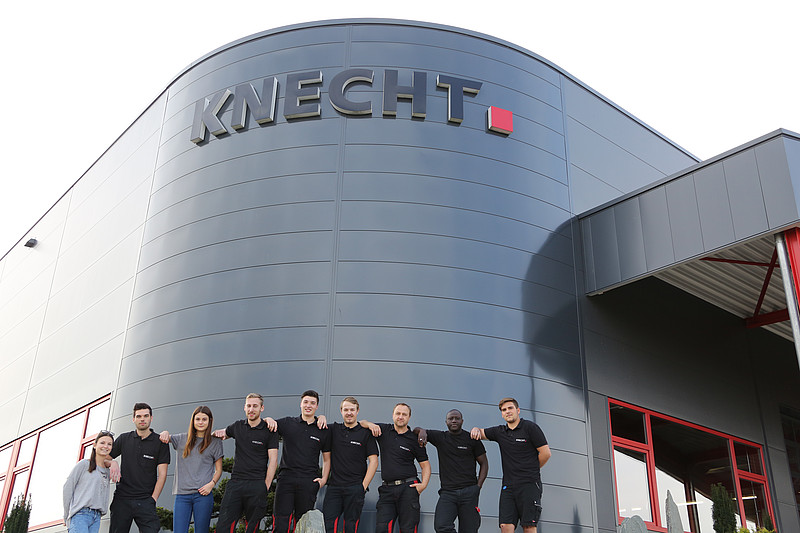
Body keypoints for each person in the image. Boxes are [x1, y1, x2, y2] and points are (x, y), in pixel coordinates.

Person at [470, 398, 551, 533]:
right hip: (508, 486)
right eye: (504, 410)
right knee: (505, 526)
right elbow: (481, 432)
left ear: (517, 410)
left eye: (510, 408)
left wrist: (531, 470)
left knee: (529, 526)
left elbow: (546, 453)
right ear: (502, 414)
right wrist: (475, 429)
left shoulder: (530, 428)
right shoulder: (500, 432)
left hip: (529, 484)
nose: (507, 411)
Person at [212, 393, 279, 533]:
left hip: (257, 485)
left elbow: (273, 460)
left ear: (262, 408)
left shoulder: (269, 431)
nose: (251, 409)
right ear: (244, 407)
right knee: (223, 527)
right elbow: (221, 434)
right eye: (248, 406)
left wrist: (265, 486)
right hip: (236, 484)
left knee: (252, 528)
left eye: (255, 406)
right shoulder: (237, 426)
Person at [266, 390, 332, 533]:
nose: (308, 405)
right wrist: (268, 419)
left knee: (304, 524)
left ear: (317, 406)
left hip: (309, 482)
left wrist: (324, 479)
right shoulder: (287, 423)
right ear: (300, 404)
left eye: (312, 403)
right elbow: (266, 424)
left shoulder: (323, 429)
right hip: (286, 480)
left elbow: (327, 459)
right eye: (306, 402)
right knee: (281, 523)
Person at [361, 403, 431, 533]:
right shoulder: (384, 430)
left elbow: (425, 466)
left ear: (409, 417)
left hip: (408, 489)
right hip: (387, 490)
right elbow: (361, 423)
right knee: (382, 528)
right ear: (393, 415)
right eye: (398, 413)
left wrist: (423, 485)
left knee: (408, 529)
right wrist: (370, 425)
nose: (400, 416)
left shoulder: (415, 439)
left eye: (404, 414)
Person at [415, 409, 488, 533]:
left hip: (469, 492)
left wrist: (478, 487)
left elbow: (484, 463)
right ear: (446, 422)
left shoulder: (471, 439)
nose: (454, 420)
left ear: (462, 421)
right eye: (451, 418)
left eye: (457, 418)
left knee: (470, 530)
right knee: (441, 526)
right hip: (448, 493)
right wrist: (421, 431)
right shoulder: (440, 437)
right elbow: (416, 430)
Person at [159, 406, 224, 533]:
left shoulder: (215, 442)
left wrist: (211, 484)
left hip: (203, 495)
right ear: (193, 421)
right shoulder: (181, 439)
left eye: (204, 419)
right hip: (182, 496)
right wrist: (165, 431)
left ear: (209, 421)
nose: (200, 422)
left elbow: (219, 470)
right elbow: (164, 437)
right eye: (197, 419)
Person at [110, 402, 171, 533]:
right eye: (138, 416)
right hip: (122, 499)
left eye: (145, 416)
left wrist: (153, 499)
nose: (142, 419)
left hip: (146, 500)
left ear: (151, 418)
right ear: (133, 419)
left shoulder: (160, 442)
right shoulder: (124, 439)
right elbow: (104, 459)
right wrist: (112, 462)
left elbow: (163, 474)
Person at [321, 396, 379, 533]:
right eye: (346, 410)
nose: (349, 413)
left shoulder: (365, 433)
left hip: (355, 488)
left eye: (352, 410)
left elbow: (374, 461)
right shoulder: (333, 429)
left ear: (357, 411)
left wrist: (363, 487)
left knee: (350, 527)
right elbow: (316, 423)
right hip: (334, 487)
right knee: (328, 526)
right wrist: (321, 417)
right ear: (341, 411)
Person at [63, 431, 115, 533]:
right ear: (95, 445)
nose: (106, 446)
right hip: (80, 515)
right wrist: (67, 514)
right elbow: (67, 488)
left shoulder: (107, 472)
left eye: (109, 444)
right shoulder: (84, 464)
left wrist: (113, 463)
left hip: (97, 518)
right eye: (102, 443)